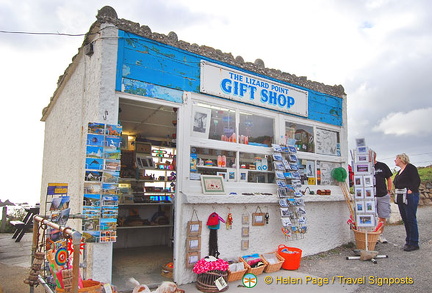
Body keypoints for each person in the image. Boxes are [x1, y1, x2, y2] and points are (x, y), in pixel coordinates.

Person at [393, 153, 421, 251]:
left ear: (401, 159)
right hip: (401, 196)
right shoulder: (399, 171)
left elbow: (416, 180)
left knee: (411, 219)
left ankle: (414, 242)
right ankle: (408, 240)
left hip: (409, 195)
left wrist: (411, 190)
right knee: (405, 219)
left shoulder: (410, 168)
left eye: (396, 158)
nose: (395, 160)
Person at [373, 151, 393, 243]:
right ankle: (372, 235)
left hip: (382, 194)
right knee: (371, 216)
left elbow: (389, 178)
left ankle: (380, 234)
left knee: (382, 216)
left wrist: (389, 190)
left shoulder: (382, 165)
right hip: (371, 196)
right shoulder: (365, 167)